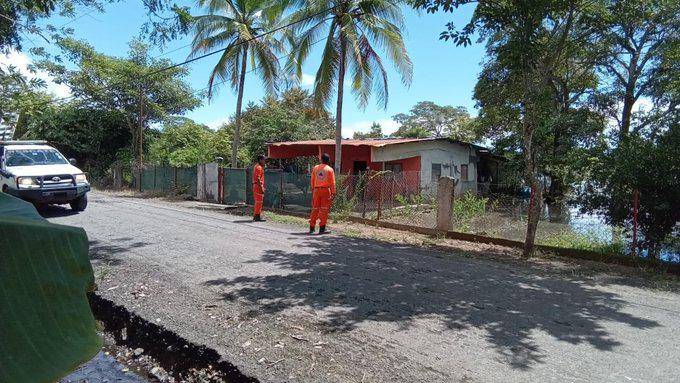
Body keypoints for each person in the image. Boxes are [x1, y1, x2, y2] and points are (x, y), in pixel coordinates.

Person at [309, 153, 336, 234]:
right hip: (326, 191)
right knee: (324, 210)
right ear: (328, 161)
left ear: (321, 160)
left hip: (316, 190)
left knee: (315, 209)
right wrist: (333, 192)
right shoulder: (330, 169)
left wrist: (313, 189)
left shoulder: (315, 168)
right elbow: (332, 183)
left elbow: (312, 180)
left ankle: (311, 228)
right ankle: (322, 229)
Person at [253, 154, 266, 222]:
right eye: (264, 159)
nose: (264, 161)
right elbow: (257, 179)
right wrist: (261, 188)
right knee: (259, 202)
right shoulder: (259, 167)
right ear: (260, 160)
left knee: (258, 202)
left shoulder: (257, 166)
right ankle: (257, 216)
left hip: (257, 186)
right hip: (258, 186)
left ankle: (256, 216)